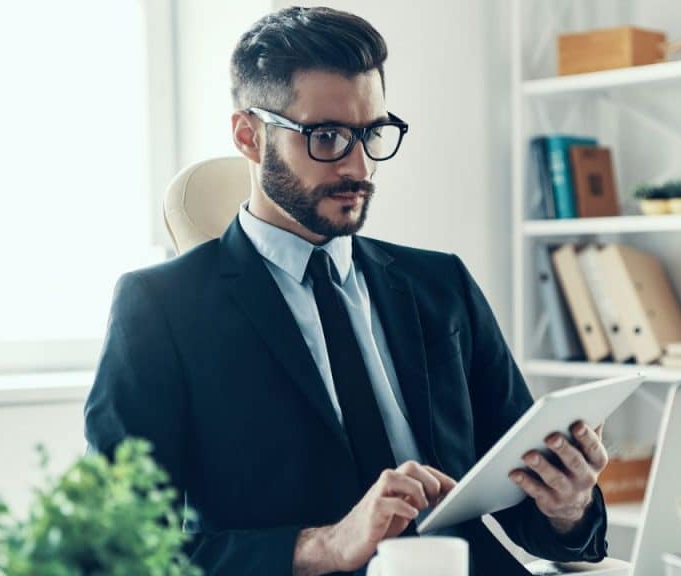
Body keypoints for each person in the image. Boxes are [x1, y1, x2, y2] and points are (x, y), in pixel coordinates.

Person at [84, 6, 610, 575]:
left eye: (372, 133)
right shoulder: (161, 309)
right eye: (327, 137)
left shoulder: (442, 286)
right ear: (248, 135)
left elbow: (536, 518)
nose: (360, 166)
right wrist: (325, 545)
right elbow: (118, 553)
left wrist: (569, 505)